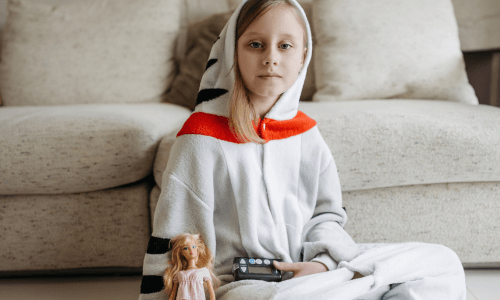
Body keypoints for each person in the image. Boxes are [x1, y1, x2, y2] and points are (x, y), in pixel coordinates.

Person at [139, 0, 467, 299]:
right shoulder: (200, 137)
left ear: (303, 56)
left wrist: (324, 263)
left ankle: (355, 286)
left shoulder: (306, 134)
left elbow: (326, 216)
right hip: (245, 286)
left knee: (442, 261)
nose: (271, 57)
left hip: (315, 273)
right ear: (232, 52)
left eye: (285, 46)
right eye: (255, 44)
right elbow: (179, 239)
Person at [164, 234, 219, 300]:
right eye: (186, 248)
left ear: (197, 250)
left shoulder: (203, 271)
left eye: (193, 247)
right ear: (181, 253)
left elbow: (211, 292)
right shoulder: (179, 274)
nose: (191, 250)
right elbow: (173, 295)